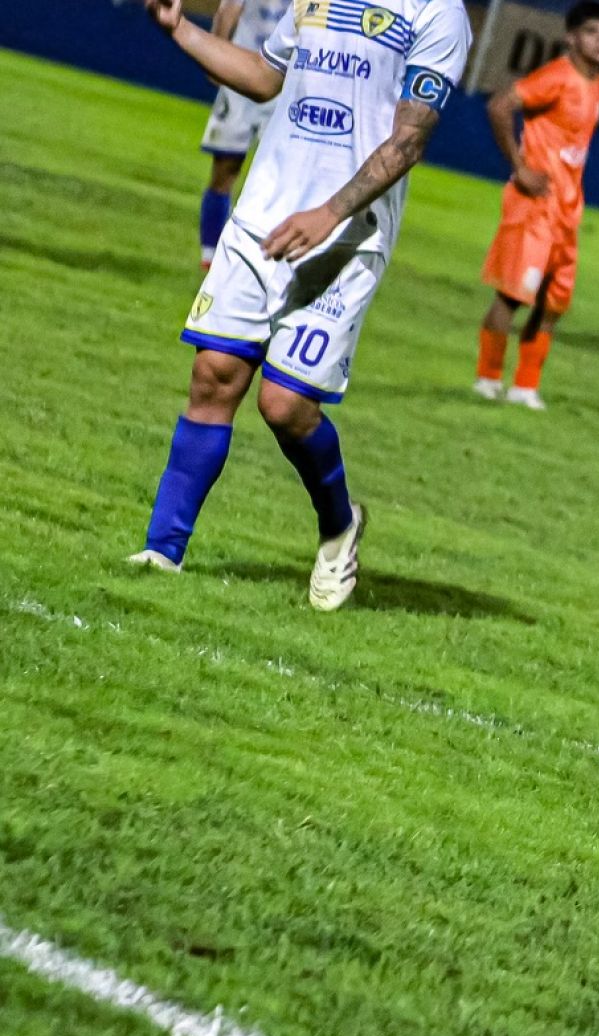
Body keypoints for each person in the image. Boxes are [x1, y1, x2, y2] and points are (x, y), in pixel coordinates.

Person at [126, 0, 471, 613]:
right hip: (263, 216)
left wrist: (328, 213)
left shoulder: (438, 13)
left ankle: (339, 527)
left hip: (347, 237)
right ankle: (162, 551)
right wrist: (180, 30)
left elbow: (408, 140)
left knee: (285, 405)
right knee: (213, 376)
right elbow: (265, 75)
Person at [474, 2, 599, 411]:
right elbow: (499, 105)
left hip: (567, 210)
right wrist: (519, 167)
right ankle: (488, 379)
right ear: (571, 37)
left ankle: (525, 386)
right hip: (535, 206)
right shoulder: (557, 76)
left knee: (553, 303)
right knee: (513, 296)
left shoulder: (597, 83)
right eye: (591, 32)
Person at [196, 0, 291, 270]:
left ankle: (246, 257)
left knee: (272, 177)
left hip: (281, 83)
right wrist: (216, 56)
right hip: (245, 73)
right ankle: (212, 255)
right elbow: (229, 9)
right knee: (230, 169)